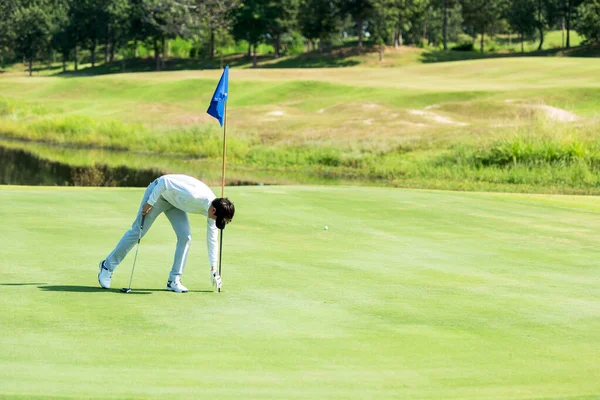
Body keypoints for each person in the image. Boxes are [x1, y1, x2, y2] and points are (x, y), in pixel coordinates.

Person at [98, 174, 235, 293]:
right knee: (137, 232)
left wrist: (213, 269)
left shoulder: (214, 210)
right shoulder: (196, 195)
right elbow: (165, 182)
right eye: (218, 220)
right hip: (159, 194)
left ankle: (174, 280)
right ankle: (107, 266)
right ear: (214, 211)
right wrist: (150, 202)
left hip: (176, 203)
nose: (217, 223)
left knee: (185, 237)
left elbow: (212, 239)